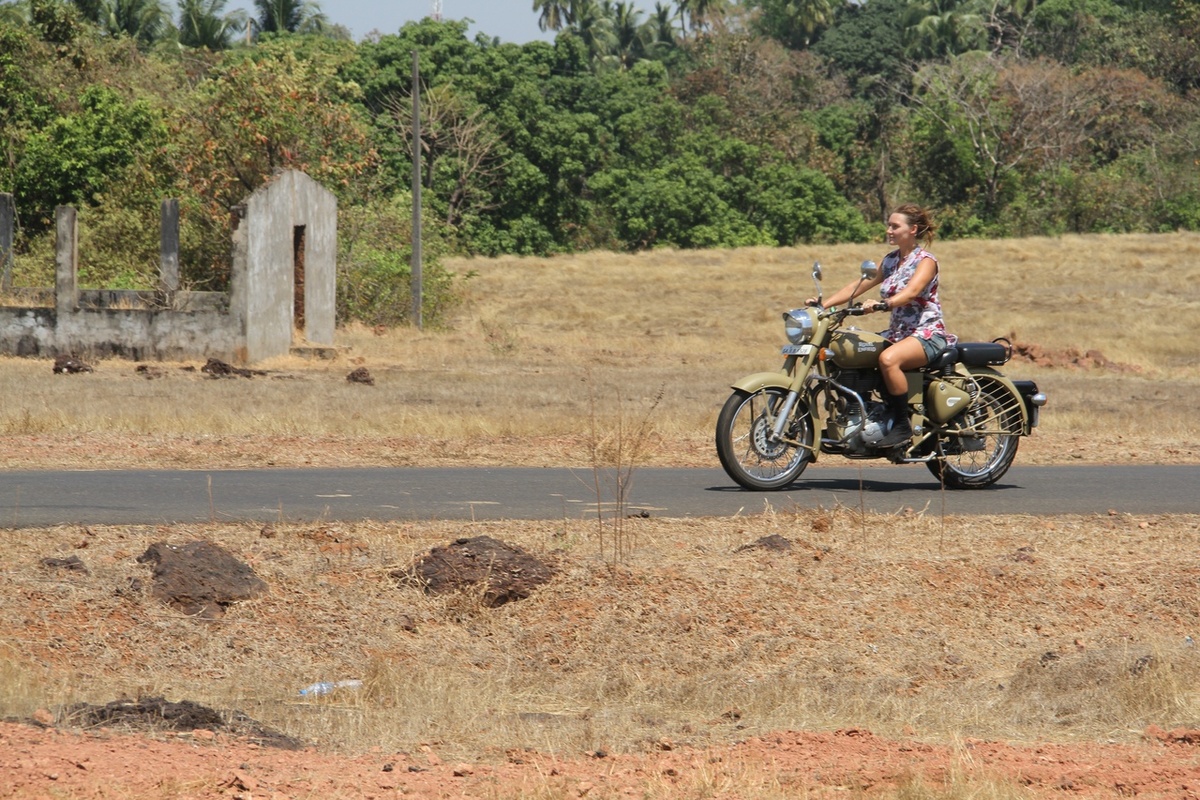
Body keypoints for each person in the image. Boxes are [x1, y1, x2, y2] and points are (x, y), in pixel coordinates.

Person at [806, 204, 956, 448]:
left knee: (888, 360)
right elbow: (858, 285)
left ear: (912, 229)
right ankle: (859, 417)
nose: (889, 230)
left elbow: (912, 292)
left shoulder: (926, 261)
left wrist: (883, 304)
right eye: (889, 225)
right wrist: (824, 305)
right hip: (896, 334)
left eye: (895, 226)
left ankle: (901, 425)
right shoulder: (891, 261)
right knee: (848, 352)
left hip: (926, 334)